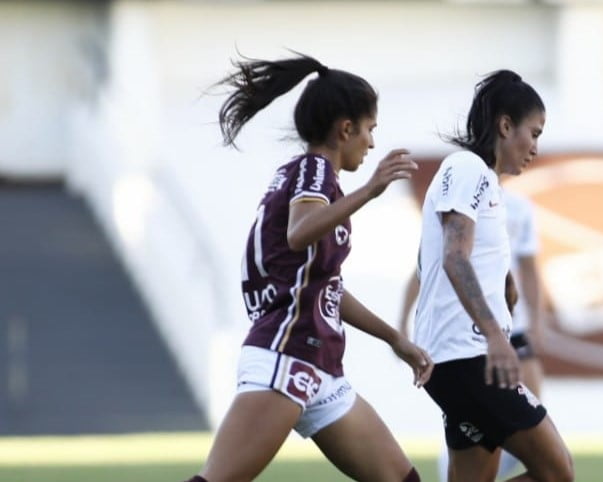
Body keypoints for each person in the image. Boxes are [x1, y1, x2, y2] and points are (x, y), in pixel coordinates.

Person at [183, 52, 434, 482]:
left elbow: (327, 288)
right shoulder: (315, 170)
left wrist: (394, 337)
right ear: (346, 128)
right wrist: (372, 188)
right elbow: (299, 232)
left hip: (320, 366)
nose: (372, 143)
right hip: (287, 353)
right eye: (370, 129)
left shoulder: (311, 179)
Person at [413, 70, 574, 482]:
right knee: (557, 472)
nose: (535, 147)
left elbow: (461, 252)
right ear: (505, 126)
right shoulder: (469, 168)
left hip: (455, 362)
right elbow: (454, 256)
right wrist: (496, 335)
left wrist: (504, 282)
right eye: (533, 133)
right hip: (470, 359)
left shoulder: (487, 186)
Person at [398, 189, 547, 481]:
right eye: (530, 138)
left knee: (524, 425)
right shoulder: (459, 197)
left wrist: (537, 322)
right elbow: (428, 267)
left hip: (513, 330)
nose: (532, 147)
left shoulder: (518, 207)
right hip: (471, 340)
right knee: (551, 465)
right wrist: (403, 323)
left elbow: (529, 268)